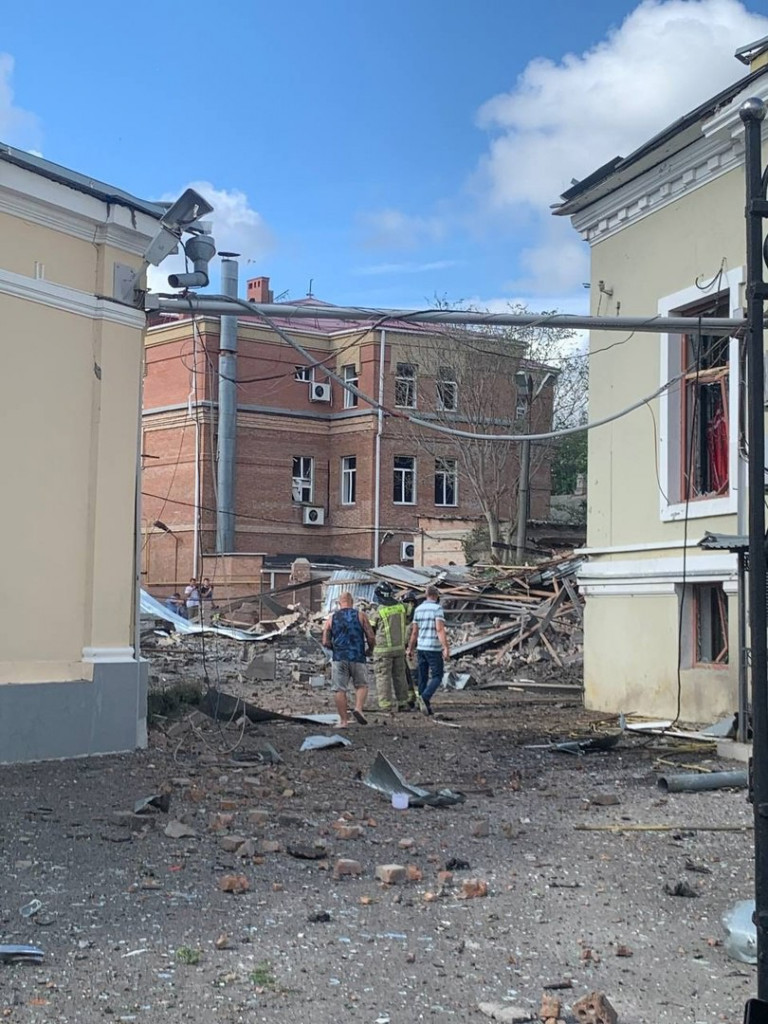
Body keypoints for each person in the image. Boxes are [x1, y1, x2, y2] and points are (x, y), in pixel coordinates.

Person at [322, 591, 375, 727]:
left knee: (340, 689)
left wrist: (334, 647)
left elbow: (325, 641)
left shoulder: (332, 619)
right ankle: (358, 709)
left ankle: (343, 721)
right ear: (352, 603)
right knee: (361, 685)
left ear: (340, 603)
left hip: (339, 658)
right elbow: (371, 636)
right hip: (357, 656)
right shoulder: (360, 616)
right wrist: (370, 649)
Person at [407, 584, 451, 716]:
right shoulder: (437, 609)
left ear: (426, 595)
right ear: (436, 595)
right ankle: (425, 697)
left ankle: (423, 704)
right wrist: (445, 647)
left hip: (421, 647)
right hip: (433, 647)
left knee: (423, 676)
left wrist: (410, 648)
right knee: (438, 675)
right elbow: (439, 629)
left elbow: (414, 632)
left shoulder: (418, 609)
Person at [369, 583, 411, 714]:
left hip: (382, 650)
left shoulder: (378, 611)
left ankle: (386, 704)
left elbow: (371, 630)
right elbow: (411, 611)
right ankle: (403, 702)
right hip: (399, 648)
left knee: (383, 677)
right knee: (400, 676)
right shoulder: (401, 607)